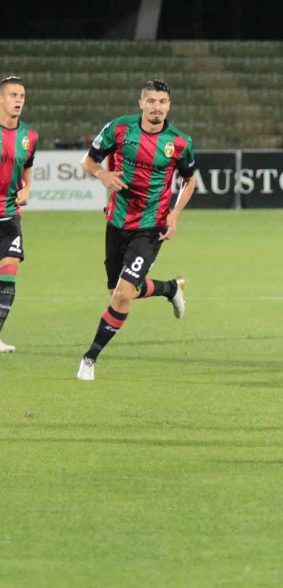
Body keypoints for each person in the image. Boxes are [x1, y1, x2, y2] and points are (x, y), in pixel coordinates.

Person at [76, 79, 197, 381]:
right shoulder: (119, 129)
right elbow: (88, 161)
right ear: (141, 103)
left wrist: (175, 214)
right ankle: (170, 288)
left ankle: (90, 358)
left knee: (122, 295)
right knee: (118, 292)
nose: (157, 107)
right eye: (152, 101)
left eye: (163, 102)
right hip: (117, 223)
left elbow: (189, 179)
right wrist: (102, 174)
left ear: (169, 105)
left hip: (150, 227)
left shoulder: (179, 142)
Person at [0, 76, 38, 353]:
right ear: (1, 99)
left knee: (9, 275)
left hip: (10, 216)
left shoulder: (29, 136)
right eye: (13, 95)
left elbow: (27, 167)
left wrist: (28, 189)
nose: (18, 100)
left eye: (22, 96)